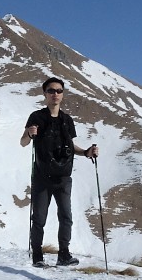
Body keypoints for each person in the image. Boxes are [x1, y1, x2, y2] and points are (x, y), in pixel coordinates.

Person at [20, 76, 98, 267]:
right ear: (44, 94)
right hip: (42, 176)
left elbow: (71, 146)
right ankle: (37, 256)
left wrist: (87, 152)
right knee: (39, 218)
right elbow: (23, 142)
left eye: (59, 91)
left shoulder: (67, 120)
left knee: (66, 217)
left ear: (63, 94)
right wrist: (29, 134)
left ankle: (64, 254)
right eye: (51, 91)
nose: (55, 94)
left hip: (63, 176)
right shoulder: (37, 117)